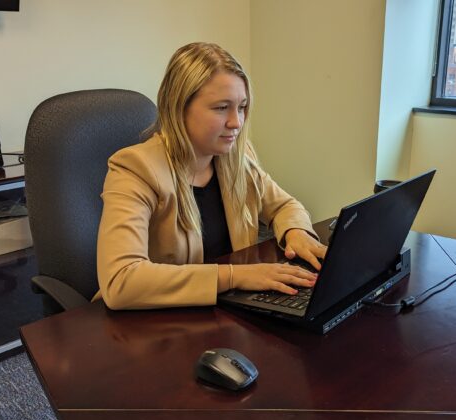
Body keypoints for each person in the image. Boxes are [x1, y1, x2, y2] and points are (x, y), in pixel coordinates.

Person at [94, 42, 327, 309]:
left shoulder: (236, 156)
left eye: (241, 107)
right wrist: (234, 276)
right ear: (178, 108)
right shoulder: (135, 169)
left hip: (226, 311)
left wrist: (295, 231)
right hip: (155, 324)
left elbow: (284, 205)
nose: (236, 122)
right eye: (221, 108)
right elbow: (121, 280)